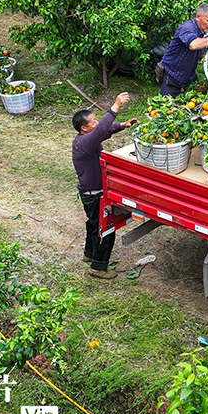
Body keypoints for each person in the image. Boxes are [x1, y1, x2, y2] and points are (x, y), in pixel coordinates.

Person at [72, 93, 137, 279]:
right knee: (105, 229)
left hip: (90, 192)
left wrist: (121, 126)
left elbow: (102, 130)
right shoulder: (85, 143)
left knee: (93, 223)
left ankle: (89, 253)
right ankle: (98, 268)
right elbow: (101, 130)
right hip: (93, 195)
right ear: (84, 128)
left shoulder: (86, 139)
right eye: (93, 122)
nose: (97, 122)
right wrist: (116, 106)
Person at [158, 2, 208, 96]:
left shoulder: (204, 33)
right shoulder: (187, 28)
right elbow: (193, 45)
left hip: (188, 77)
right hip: (172, 76)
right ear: (198, 16)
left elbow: (196, 49)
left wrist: (206, 57)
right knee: (167, 103)